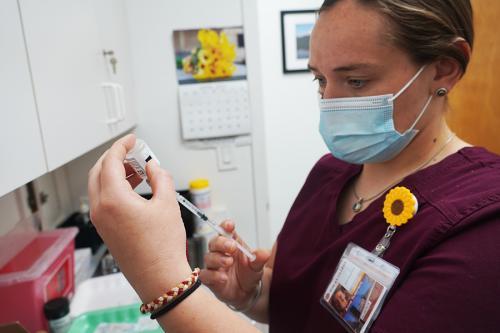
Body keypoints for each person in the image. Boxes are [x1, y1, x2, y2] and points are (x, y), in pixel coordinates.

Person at [88, 0, 500, 332]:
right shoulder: (330, 173)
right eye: (320, 80)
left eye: (355, 81)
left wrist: (162, 278)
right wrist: (252, 295)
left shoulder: (482, 223)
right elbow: (302, 305)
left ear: (445, 67)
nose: (330, 102)